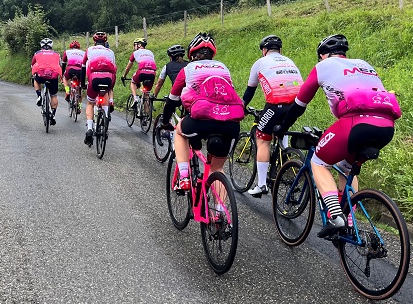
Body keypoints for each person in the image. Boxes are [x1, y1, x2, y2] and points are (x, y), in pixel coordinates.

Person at [273, 34, 401, 237]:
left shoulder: (323, 66)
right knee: (346, 167)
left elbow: (299, 105)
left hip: (356, 123)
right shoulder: (364, 64)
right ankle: (349, 220)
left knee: (318, 162)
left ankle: (336, 216)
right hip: (386, 126)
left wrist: (282, 127)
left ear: (322, 55)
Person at [160, 33, 243, 189]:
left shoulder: (188, 69)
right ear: (212, 54)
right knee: (217, 169)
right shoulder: (223, 67)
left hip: (201, 119)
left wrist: (165, 122)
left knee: (179, 132)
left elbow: (172, 99)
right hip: (230, 122)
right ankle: (220, 205)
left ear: (191, 54)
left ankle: (184, 177)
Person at [241, 35, 303, 196]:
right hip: (297, 105)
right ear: (280, 50)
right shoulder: (289, 61)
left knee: (262, 138)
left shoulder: (260, 63)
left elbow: (250, 91)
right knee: (282, 127)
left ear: (264, 50)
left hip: (276, 105)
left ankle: (261, 185)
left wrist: (242, 106)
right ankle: (285, 151)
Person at [81, 31, 117, 146]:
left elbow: (83, 67)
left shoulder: (89, 50)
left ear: (94, 41)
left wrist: (82, 83)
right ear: (105, 42)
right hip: (109, 79)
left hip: (94, 78)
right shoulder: (110, 52)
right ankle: (106, 118)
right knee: (105, 94)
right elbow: (114, 68)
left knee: (90, 103)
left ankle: (89, 129)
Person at [31, 38, 62, 124]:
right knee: (54, 96)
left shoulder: (37, 53)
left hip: (41, 75)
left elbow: (32, 65)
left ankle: (39, 96)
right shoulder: (57, 54)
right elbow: (60, 64)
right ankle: (53, 115)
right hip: (53, 76)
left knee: (36, 80)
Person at [122, 37, 157, 107]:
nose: (134, 46)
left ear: (139, 45)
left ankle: (135, 99)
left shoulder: (135, 53)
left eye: (135, 44)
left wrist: (124, 76)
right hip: (152, 73)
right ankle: (147, 113)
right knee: (146, 95)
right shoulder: (150, 52)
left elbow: (128, 67)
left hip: (142, 71)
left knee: (133, 82)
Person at [61, 40, 85, 111]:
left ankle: (67, 91)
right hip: (80, 70)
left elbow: (63, 64)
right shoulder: (84, 53)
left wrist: (62, 75)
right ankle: (79, 107)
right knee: (80, 89)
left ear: (71, 47)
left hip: (70, 69)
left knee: (65, 78)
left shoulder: (67, 52)